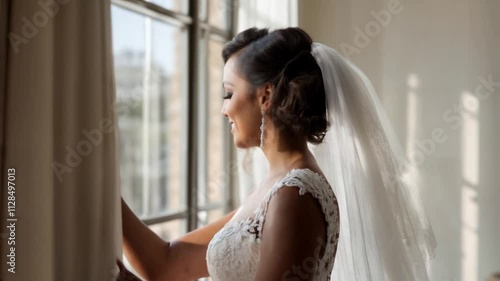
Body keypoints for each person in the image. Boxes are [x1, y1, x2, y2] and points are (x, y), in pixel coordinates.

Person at [118, 27, 436, 281]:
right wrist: (103, 187)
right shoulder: (274, 188)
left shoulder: (294, 195)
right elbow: (168, 265)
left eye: (229, 93)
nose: (223, 109)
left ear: (266, 96)